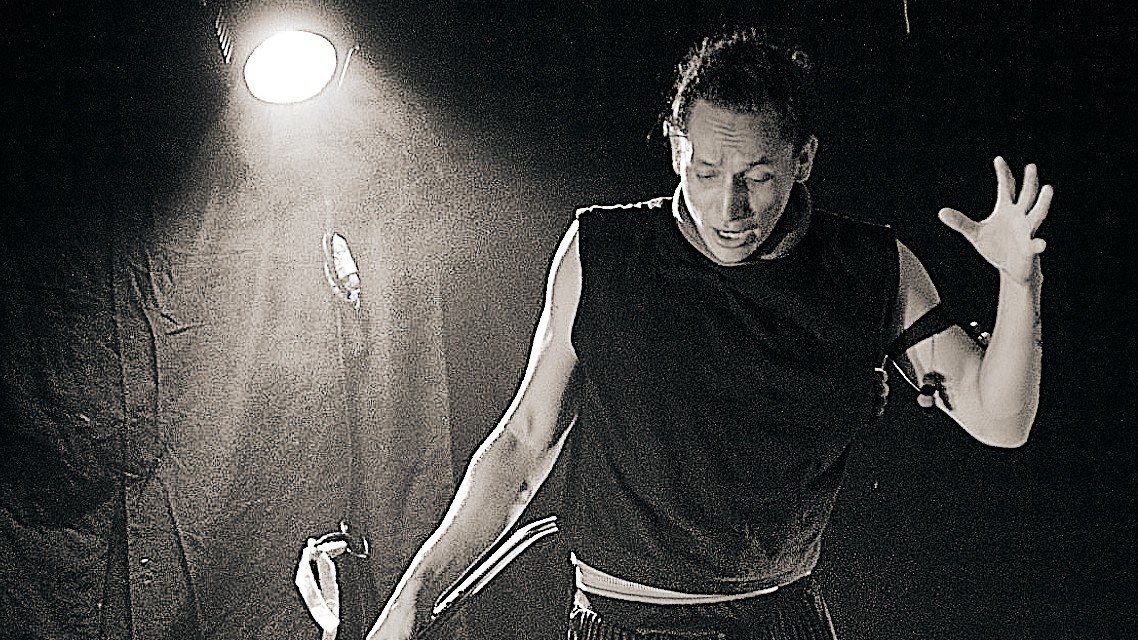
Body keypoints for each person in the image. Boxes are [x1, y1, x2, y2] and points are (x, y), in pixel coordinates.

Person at [366, 27, 1049, 640]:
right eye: (707, 173)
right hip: (624, 622)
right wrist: (413, 595)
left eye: (758, 176)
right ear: (675, 149)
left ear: (804, 159)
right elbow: (524, 441)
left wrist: (1021, 286)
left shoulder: (871, 267)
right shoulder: (605, 252)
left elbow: (1000, 420)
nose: (731, 206)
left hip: (782, 617)